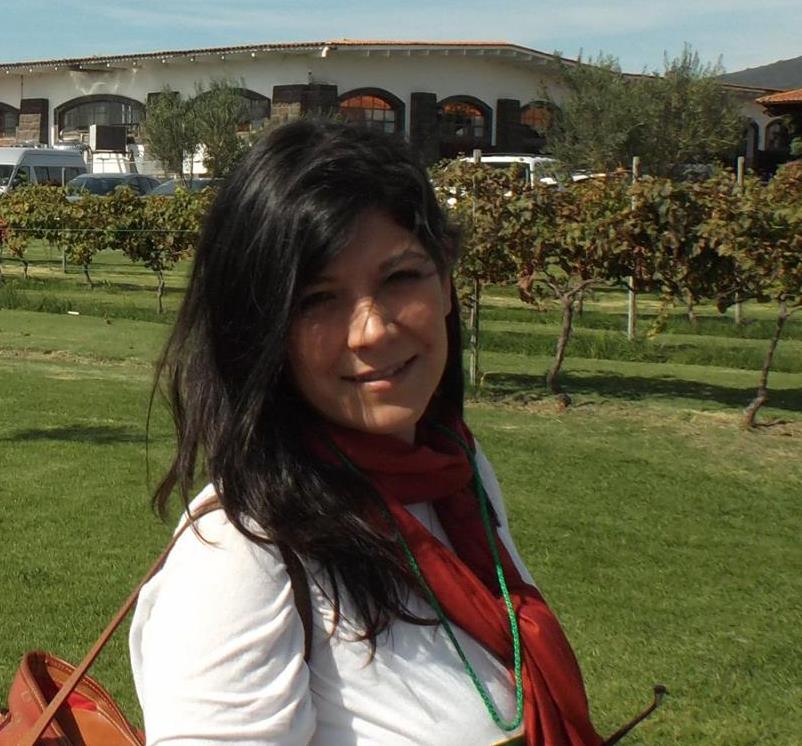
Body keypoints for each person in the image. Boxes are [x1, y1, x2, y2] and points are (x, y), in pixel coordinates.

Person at [129, 119, 603, 746]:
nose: (372, 330)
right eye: (316, 300)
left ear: (446, 282)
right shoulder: (242, 556)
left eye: (400, 278)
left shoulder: (454, 471)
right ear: (262, 332)